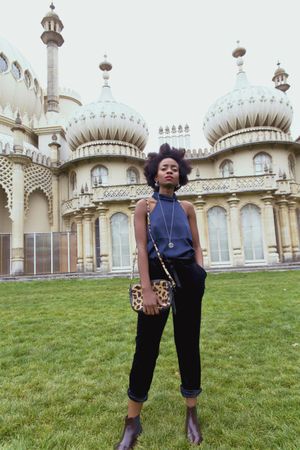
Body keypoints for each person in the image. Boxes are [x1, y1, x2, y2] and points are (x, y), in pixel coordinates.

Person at [115, 144, 207, 449]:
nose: (170, 170)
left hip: (189, 281)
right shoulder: (145, 206)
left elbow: (195, 245)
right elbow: (142, 248)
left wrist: (200, 273)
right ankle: (132, 422)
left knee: (188, 344)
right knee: (146, 349)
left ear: (180, 175)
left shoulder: (187, 209)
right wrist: (148, 289)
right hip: (156, 278)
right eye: (165, 167)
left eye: (175, 168)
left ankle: (191, 414)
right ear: (155, 174)